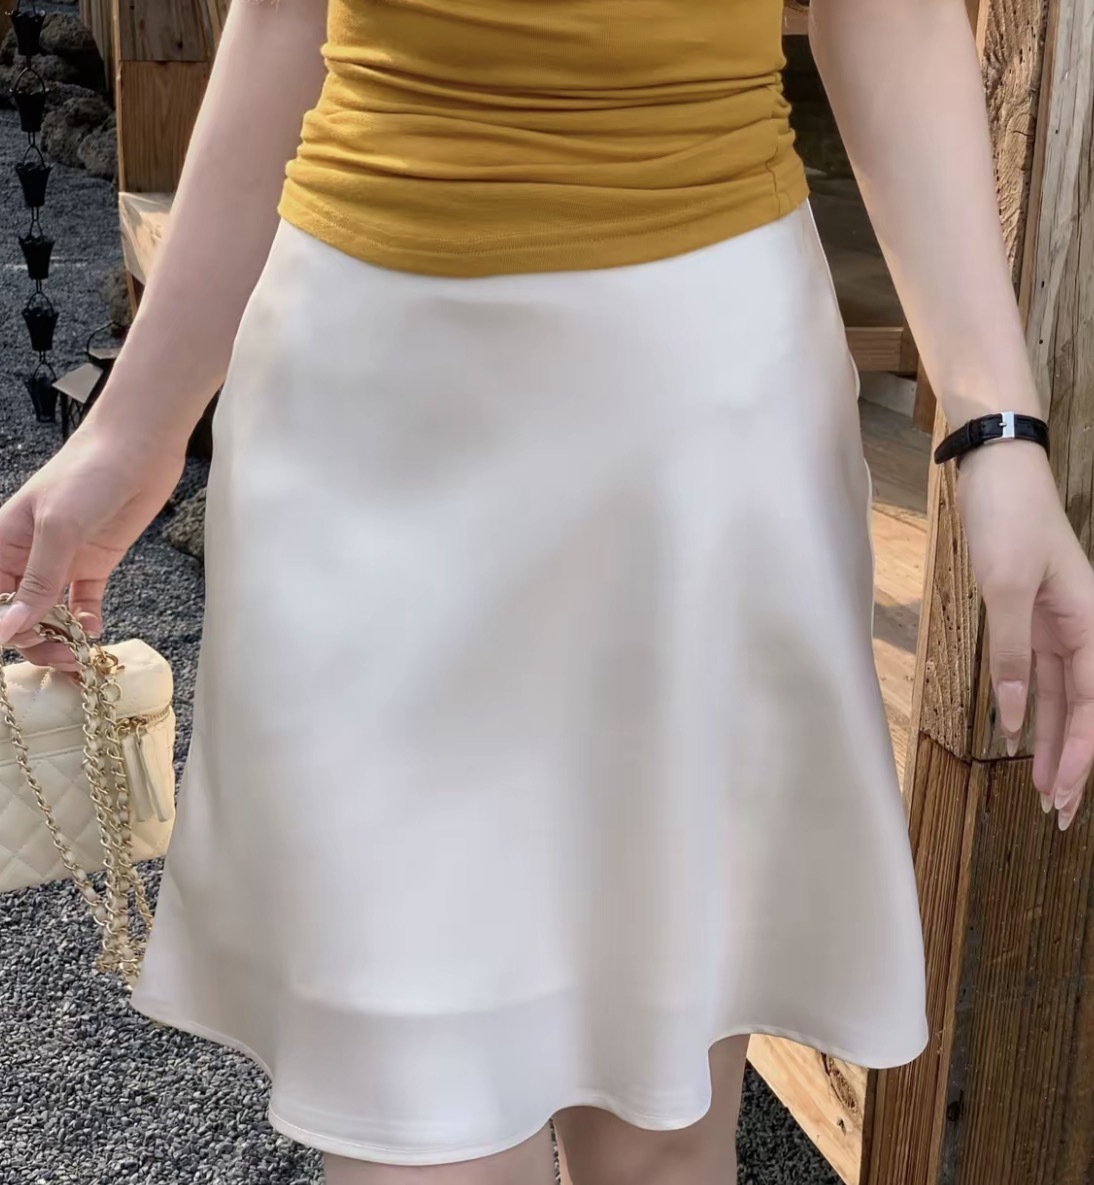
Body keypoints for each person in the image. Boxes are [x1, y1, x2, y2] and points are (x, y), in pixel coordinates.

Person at [1, 0, 1092, 1181]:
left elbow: (890, 18)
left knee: (661, 1113)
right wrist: (134, 428)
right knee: (414, 1114)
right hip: (372, 400)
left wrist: (994, 427)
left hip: (696, 410)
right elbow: (283, 17)